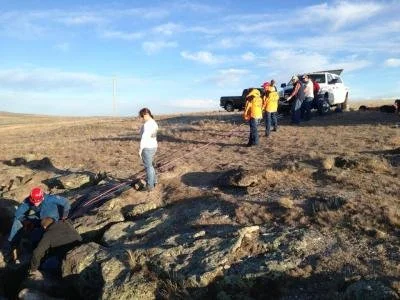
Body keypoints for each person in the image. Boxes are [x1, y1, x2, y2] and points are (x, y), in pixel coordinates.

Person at [4, 187, 70, 262]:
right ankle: (13, 245)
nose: (35, 204)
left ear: (42, 197)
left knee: (40, 235)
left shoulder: (50, 198)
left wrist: (64, 216)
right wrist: (25, 220)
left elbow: (66, 202)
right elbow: (18, 213)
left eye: (37, 201)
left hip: (52, 219)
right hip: (39, 218)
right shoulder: (28, 200)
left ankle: (33, 248)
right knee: (17, 221)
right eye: (34, 201)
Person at [138, 108, 158, 191]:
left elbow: (144, 138)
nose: (142, 118)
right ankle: (154, 181)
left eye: (142, 116)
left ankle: (150, 186)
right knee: (151, 166)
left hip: (147, 147)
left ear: (146, 115)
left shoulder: (147, 125)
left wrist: (140, 149)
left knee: (148, 167)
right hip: (153, 146)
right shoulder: (154, 123)